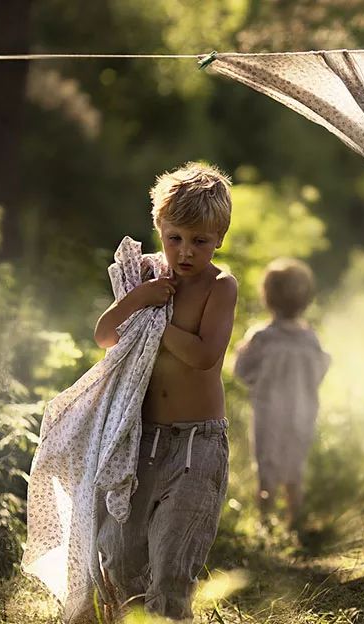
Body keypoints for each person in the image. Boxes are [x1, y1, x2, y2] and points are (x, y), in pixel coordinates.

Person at [92, 162, 237, 622]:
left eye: (200, 241)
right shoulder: (147, 281)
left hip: (197, 445)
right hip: (142, 442)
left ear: (219, 239)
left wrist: (157, 322)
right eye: (175, 238)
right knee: (121, 557)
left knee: (173, 562)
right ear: (160, 229)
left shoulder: (220, 286)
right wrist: (139, 300)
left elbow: (203, 355)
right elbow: (105, 335)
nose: (186, 251)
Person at [234, 258, 330, 531]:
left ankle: (265, 523)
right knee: (295, 465)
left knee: (267, 464)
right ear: (307, 299)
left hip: (269, 412)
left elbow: (242, 371)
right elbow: (320, 372)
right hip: (303, 413)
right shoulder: (310, 339)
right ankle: (294, 521)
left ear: (267, 297)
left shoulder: (262, 337)